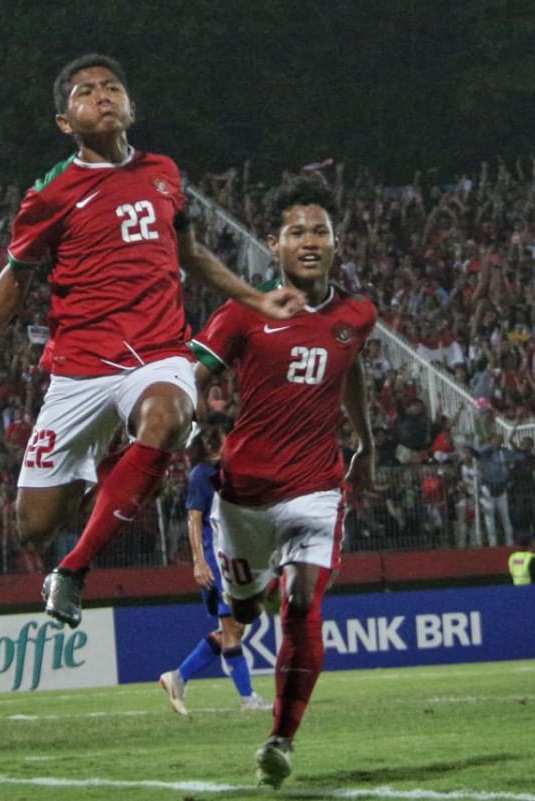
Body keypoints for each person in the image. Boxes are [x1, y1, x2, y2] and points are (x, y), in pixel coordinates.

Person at [0, 54, 303, 628]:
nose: (102, 96)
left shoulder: (164, 172)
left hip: (159, 354)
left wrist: (256, 298)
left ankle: (74, 571)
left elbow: (190, 255)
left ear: (130, 105)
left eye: (112, 88)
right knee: (35, 526)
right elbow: (15, 277)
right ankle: (106, 463)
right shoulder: (53, 193)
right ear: (66, 121)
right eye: (85, 92)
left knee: (166, 415)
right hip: (81, 369)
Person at [189, 176, 376, 788]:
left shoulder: (356, 316)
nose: (310, 240)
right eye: (297, 231)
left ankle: (281, 739)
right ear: (274, 245)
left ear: (336, 242)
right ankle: (251, 590)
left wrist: (365, 440)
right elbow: (196, 370)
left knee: (302, 604)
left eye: (320, 230)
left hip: (317, 488)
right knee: (243, 607)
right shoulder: (245, 309)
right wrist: (192, 422)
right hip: (244, 493)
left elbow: (350, 372)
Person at [158, 427, 267, 716]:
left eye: (218, 441)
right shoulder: (201, 476)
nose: (214, 447)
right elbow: (194, 521)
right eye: (209, 442)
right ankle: (249, 698)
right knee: (232, 629)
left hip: (234, 559)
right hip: (215, 562)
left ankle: (178, 678)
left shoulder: (232, 473)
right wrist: (198, 561)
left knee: (234, 628)